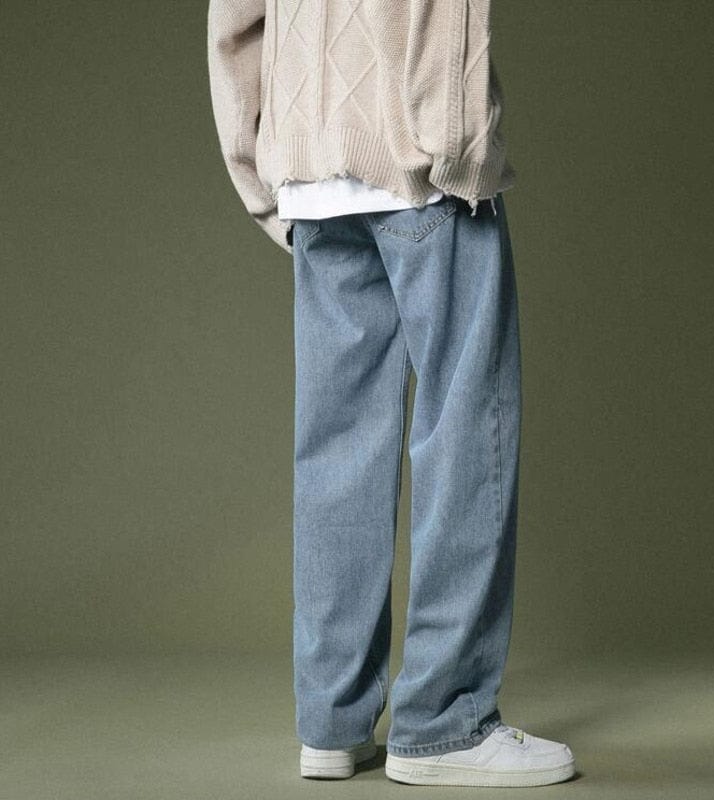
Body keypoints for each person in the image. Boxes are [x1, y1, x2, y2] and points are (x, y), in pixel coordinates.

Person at [207, 0, 576, 787]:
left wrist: (262, 170)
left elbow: (233, 23)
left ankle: (331, 724)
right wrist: (459, 152)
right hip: (418, 165)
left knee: (337, 450)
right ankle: (444, 723)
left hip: (308, 172)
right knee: (467, 429)